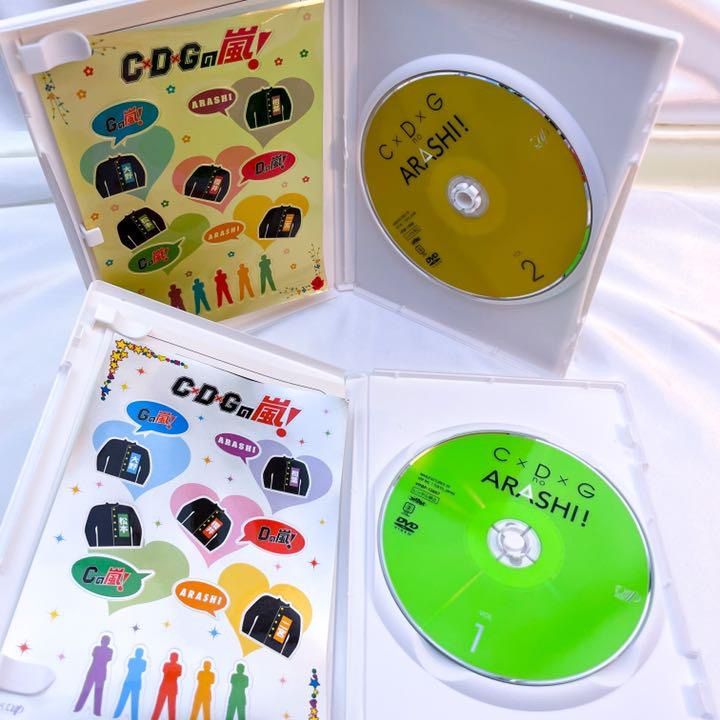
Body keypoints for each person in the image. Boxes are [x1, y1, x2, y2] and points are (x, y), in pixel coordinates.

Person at [74, 635, 113, 716]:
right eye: (103, 640)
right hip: (94, 672)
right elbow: (100, 657)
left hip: (99, 673)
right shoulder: (98, 648)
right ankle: (78, 708)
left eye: (105, 641)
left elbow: (106, 658)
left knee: (97, 692)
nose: (104, 642)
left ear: (108, 642)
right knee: (86, 690)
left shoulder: (108, 650)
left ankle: (96, 711)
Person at [113, 647, 147, 720]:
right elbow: (136, 668)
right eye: (138, 652)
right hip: (130, 681)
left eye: (139, 653)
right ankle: (116, 715)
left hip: (134, 682)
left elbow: (142, 669)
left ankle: (133, 718)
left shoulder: (142, 661)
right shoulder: (133, 660)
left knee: (134, 701)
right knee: (124, 699)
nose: (138, 654)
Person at [150, 651, 182, 720]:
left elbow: (178, 674)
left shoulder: (179, 666)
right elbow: (166, 672)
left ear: (177, 659)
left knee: (172, 708)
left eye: (175, 657)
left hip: (172, 688)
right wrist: (173, 672)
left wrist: (171, 672)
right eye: (172, 657)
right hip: (164, 687)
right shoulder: (166, 664)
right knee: (158, 707)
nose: (173, 659)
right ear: (170, 657)